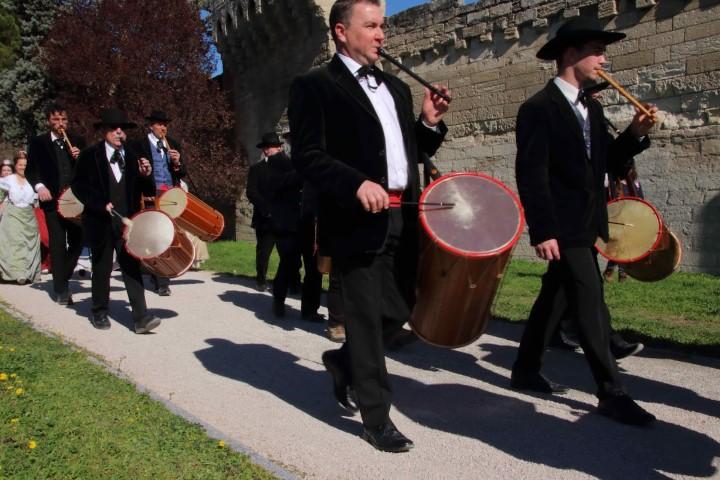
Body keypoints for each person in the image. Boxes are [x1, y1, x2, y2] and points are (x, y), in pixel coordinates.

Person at [288, 0, 449, 452]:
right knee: (362, 318)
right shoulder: (313, 86)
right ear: (342, 31)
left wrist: (429, 122)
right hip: (355, 219)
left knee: (399, 310)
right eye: (372, 25)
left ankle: (343, 363)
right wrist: (355, 183)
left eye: (384, 26)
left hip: (403, 215)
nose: (382, 34)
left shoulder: (395, 88)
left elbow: (407, 151)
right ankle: (376, 418)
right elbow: (308, 156)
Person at [512, 16, 658, 427]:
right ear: (570, 54)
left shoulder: (590, 108)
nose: (604, 60)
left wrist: (634, 132)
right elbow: (531, 173)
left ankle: (524, 369)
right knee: (590, 300)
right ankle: (611, 392)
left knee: (554, 298)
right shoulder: (537, 109)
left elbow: (605, 163)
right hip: (562, 225)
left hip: (588, 220)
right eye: (597, 51)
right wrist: (542, 230)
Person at [72, 108, 160, 333]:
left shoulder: (133, 156)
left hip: (127, 223)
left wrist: (146, 174)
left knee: (131, 267)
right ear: (104, 131)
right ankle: (99, 311)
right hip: (100, 221)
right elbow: (79, 187)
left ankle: (141, 317)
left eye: (122, 129)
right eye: (113, 129)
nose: (118, 132)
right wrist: (99, 204)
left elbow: (148, 190)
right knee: (102, 268)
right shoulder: (90, 155)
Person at [26, 104, 86, 305]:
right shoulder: (38, 143)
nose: (61, 124)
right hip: (51, 201)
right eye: (56, 120)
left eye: (64, 120)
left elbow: (89, 171)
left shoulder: (77, 141)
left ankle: (62, 275)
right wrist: (40, 187)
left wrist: (81, 159)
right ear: (48, 121)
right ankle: (61, 289)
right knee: (58, 244)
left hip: (75, 201)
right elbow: (30, 171)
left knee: (79, 240)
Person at [130, 110, 186, 296]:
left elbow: (181, 173)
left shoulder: (173, 145)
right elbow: (132, 173)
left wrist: (178, 163)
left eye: (165, 124)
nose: (163, 128)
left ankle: (163, 279)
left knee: (166, 236)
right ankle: (153, 271)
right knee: (153, 236)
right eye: (159, 124)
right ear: (151, 126)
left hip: (169, 197)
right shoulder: (138, 145)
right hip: (149, 196)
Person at [253, 132, 303, 317]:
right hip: (283, 221)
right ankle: (278, 299)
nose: (267, 150)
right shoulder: (275, 164)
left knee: (294, 261)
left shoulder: (294, 162)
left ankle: (295, 294)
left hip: (298, 217)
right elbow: (279, 183)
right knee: (286, 260)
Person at [0, 155, 41, 284]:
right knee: (14, 244)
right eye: (20, 165)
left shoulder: (34, 179)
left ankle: (28, 273)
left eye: (25, 165)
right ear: (15, 166)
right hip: (12, 214)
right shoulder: (8, 180)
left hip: (29, 215)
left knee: (28, 244)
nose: (22, 167)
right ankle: (14, 273)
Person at [246, 138, 278, 292]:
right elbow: (251, 192)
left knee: (289, 254)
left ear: (279, 148)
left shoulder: (289, 168)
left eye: (271, 147)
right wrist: (266, 208)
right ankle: (261, 279)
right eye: (265, 147)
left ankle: (289, 282)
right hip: (265, 218)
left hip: (285, 218)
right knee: (264, 252)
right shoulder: (256, 169)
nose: (267, 150)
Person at [603, 166, 645, 283]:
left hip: (630, 218)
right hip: (617, 218)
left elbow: (640, 199)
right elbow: (607, 200)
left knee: (624, 246)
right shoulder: (611, 182)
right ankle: (621, 273)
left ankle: (611, 270)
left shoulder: (635, 183)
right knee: (621, 245)